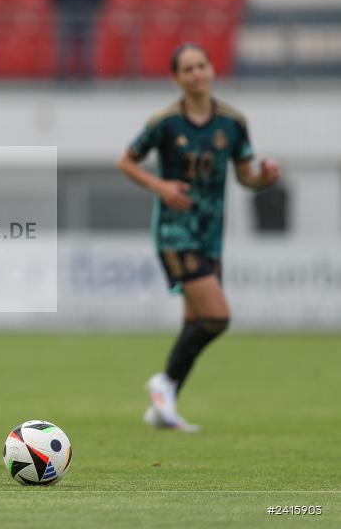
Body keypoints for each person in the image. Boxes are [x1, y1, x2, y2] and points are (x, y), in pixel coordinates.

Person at [117, 44, 281, 431]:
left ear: (211, 70)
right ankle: (164, 383)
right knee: (218, 317)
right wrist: (160, 186)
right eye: (187, 69)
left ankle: (164, 406)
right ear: (176, 78)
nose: (196, 74)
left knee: (195, 320)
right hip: (175, 232)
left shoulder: (233, 122)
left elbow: (246, 176)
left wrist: (263, 179)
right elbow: (126, 161)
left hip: (211, 234)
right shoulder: (165, 123)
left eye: (201, 66)